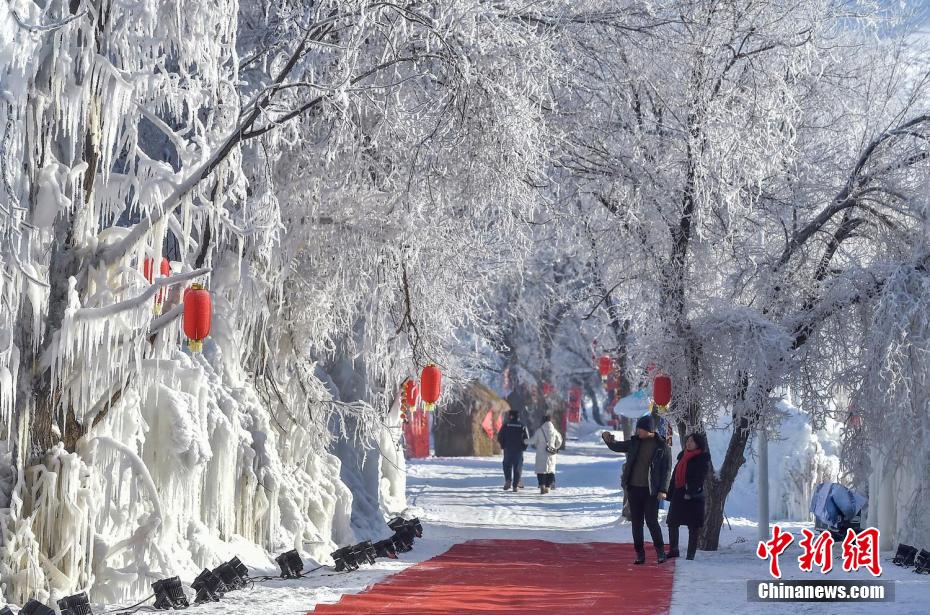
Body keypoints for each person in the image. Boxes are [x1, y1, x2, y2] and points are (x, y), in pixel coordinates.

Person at [601, 414, 672, 564]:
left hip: (651, 491)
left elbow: (666, 470)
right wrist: (607, 439)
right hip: (634, 489)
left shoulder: (662, 446)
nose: (637, 431)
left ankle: (660, 552)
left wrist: (663, 489)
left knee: (652, 521)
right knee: (636, 523)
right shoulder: (634, 442)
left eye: (640, 429)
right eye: (637, 428)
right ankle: (639, 554)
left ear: (649, 429)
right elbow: (618, 446)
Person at [666, 432, 711, 560]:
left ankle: (690, 554)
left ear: (698, 444)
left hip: (693, 496)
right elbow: (675, 475)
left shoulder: (702, 459)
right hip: (679, 493)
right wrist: (670, 492)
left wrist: (690, 492)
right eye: (688, 441)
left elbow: (699, 478)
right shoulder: (683, 456)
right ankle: (674, 550)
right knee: (672, 522)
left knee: (693, 526)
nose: (688, 443)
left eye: (692, 441)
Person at [497, 410, 529, 492]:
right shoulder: (522, 426)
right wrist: (523, 448)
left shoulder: (506, 425)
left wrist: (503, 445)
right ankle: (515, 485)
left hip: (508, 449)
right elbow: (527, 439)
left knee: (507, 465)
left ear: (510, 416)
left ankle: (508, 480)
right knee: (517, 467)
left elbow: (500, 437)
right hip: (518, 450)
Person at [531, 414, 563, 494]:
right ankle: (548, 486)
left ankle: (542, 485)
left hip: (540, 453)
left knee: (540, 470)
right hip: (551, 453)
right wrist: (555, 447)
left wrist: (525, 441)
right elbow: (559, 441)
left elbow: (533, 441)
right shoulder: (554, 431)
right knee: (550, 470)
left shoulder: (539, 430)